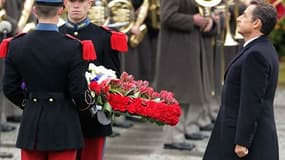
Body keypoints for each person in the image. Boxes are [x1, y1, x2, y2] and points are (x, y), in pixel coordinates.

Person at [0, 0, 95, 159]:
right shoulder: (73, 47)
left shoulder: (16, 45)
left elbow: (9, 87)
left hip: (32, 124)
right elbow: (78, 91)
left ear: (35, 11)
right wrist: (89, 108)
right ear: (60, 11)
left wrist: (29, 104)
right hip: (65, 124)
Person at [203, 1, 279, 159]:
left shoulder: (255, 54)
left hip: (244, 140)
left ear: (256, 23)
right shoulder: (261, 48)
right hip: (239, 133)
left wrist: (243, 141)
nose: (238, 18)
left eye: (244, 16)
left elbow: (251, 101)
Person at [60, 0, 128, 159]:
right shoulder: (56, 34)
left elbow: (114, 77)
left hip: (93, 116)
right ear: (65, 3)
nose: (76, 6)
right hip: (63, 114)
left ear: (89, 4)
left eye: (82, 1)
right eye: (72, 1)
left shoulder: (104, 36)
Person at [153, 0, 218, 151]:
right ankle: (172, 137)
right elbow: (167, 16)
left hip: (190, 46)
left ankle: (182, 132)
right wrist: (193, 19)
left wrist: (210, 21)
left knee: (188, 92)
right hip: (175, 48)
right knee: (176, 93)